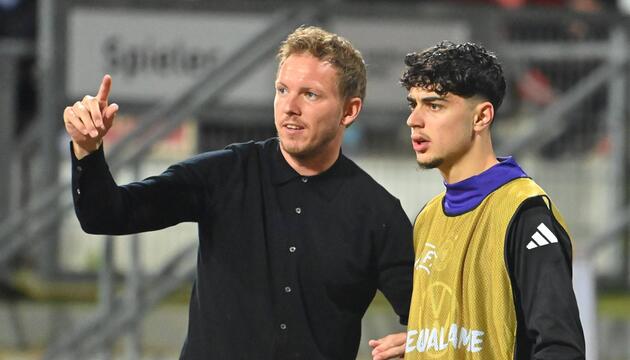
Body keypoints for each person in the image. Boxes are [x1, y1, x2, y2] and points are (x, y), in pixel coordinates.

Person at [62, 25, 414, 359]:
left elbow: (429, 316)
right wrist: (86, 150)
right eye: (282, 90)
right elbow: (106, 214)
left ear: (349, 111)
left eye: (310, 94)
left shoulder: (377, 214)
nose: (289, 107)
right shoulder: (224, 173)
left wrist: (420, 341)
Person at [369, 41, 585, 359]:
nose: (414, 120)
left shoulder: (525, 213)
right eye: (413, 104)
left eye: (434, 105)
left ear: (481, 117)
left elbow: (560, 348)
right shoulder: (428, 217)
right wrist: (422, 343)